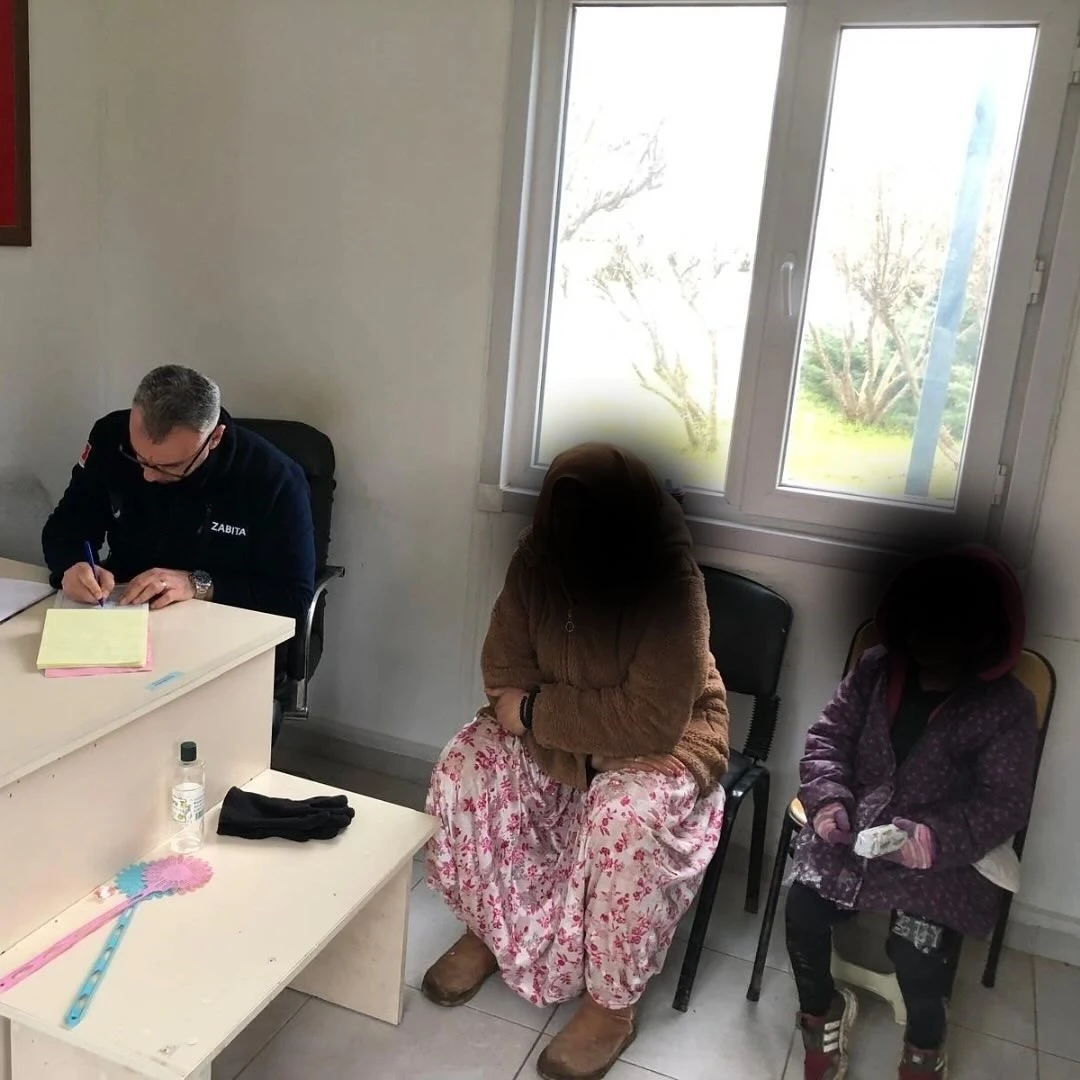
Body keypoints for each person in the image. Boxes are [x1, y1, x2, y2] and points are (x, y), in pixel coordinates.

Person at [423, 443, 730, 1080]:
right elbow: (502, 673)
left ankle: (611, 1006)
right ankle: (492, 929)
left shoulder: (672, 582)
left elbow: (652, 721)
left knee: (623, 819)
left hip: (671, 741)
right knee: (467, 765)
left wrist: (538, 711)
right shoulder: (535, 557)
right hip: (566, 731)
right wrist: (571, 724)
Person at [787, 546, 1036, 1080]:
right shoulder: (876, 669)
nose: (929, 659)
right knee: (802, 912)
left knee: (919, 954)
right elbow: (828, 739)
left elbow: (1004, 801)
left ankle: (925, 1042)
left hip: (938, 850)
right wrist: (828, 799)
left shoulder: (1007, 706)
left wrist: (934, 838)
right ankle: (821, 1010)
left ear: (983, 638)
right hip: (855, 825)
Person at [41, 365, 316, 739]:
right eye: (139, 457)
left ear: (214, 438)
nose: (148, 476)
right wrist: (71, 565)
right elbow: (65, 527)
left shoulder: (273, 479)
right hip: (123, 623)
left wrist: (197, 584)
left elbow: (292, 597)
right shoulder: (110, 437)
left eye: (169, 466)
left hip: (222, 636)